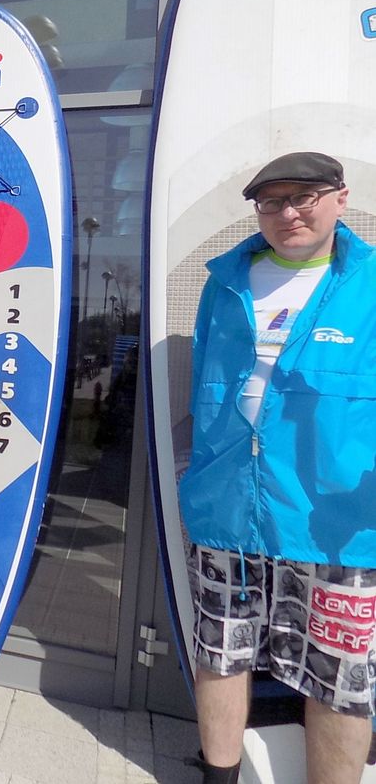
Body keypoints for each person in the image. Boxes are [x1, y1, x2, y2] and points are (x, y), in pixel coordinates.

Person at [179, 152, 376, 783]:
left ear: (340, 198)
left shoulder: (370, 286)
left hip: (337, 522)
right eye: (272, 201)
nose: (288, 212)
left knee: (340, 678)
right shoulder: (226, 283)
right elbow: (205, 385)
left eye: (305, 197)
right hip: (228, 506)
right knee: (220, 652)